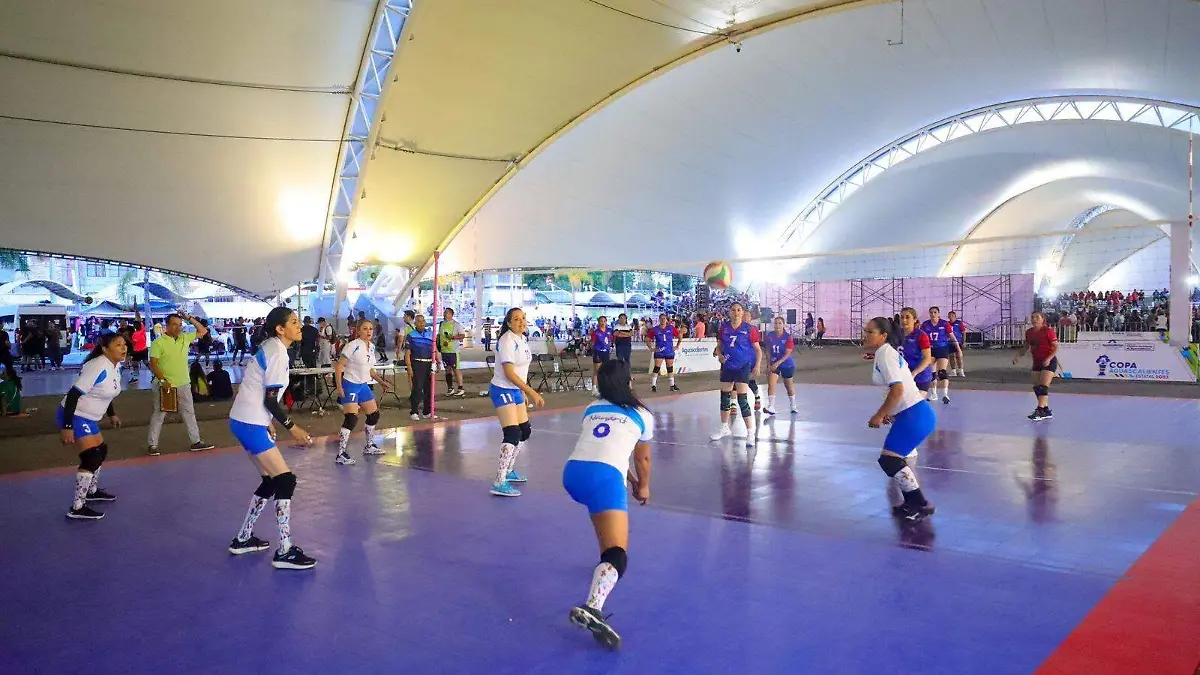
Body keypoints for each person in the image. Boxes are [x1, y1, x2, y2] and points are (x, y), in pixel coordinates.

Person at [563, 360, 652, 650]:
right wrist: (643, 485)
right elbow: (642, 459)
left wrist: (627, 479)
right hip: (604, 477)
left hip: (573, 472)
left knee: (601, 514)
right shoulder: (641, 414)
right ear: (628, 383)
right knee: (618, 555)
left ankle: (602, 567)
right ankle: (593, 606)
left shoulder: (592, 408)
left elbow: (608, 449)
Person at [227, 307, 316, 569]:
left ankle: (243, 538)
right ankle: (285, 551)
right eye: (294, 322)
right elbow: (270, 399)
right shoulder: (277, 351)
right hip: (249, 423)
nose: (299, 326)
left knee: (269, 481)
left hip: (245, 421)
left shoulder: (272, 347)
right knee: (286, 479)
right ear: (280, 328)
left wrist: (267, 423)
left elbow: (257, 391)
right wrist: (292, 427)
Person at [862, 317, 936, 521]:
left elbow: (898, 389)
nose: (865, 335)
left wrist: (880, 413)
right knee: (891, 460)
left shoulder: (886, 354)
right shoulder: (883, 353)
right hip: (910, 414)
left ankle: (920, 504)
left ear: (883, 336)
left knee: (890, 460)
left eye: (870, 332)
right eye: (865, 331)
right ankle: (913, 502)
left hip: (915, 415)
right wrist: (889, 412)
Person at [57, 332, 126, 520]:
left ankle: (91, 492)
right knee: (92, 457)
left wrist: (111, 414)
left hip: (89, 417)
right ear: (105, 349)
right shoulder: (97, 366)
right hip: (75, 415)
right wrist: (67, 426)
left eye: (124, 344)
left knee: (101, 450)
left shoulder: (115, 366)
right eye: (118, 345)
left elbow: (107, 392)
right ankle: (77, 507)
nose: (124, 347)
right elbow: (73, 395)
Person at [488, 308, 544, 497]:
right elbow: (509, 373)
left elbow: (521, 372)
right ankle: (499, 481)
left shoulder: (522, 340)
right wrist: (531, 391)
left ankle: (509, 470)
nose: (521, 322)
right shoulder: (506, 341)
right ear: (509, 323)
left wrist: (522, 391)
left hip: (515, 390)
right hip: (502, 389)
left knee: (524, 431)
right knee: (512, 433)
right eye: (516, 319)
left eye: (523, 318)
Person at [147, 312, 215, 455]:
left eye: (180, 324)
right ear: (167, 326)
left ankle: (196, 442)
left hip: (184, 383)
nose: (178, 327)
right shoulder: (158, 342)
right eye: (174, 324)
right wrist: (162, 380)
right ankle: (152, 445)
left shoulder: (185, 337)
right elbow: (153, 363)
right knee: (159, 414)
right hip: (165, 386)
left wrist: (189, 318)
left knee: (189, 413)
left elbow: (203, 331)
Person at [334, 318, 392, 465]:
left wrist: (382, 382)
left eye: (371, 329)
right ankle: (341, 454)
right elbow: (339, 367)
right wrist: (339, 387)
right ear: (358, 331)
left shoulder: (371, 347)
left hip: (363, 385)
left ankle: (369, 445)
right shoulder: (352, 346)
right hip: (350, 384)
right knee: (351, 418)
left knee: (374, 415)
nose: (368, 331)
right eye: (365, 329)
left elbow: (370, 370)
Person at [709, 301, 762, 447]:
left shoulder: (749, 329)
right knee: (725, 398)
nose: (736, 312)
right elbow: (719, 346)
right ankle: (724, 427)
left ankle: (750, 432)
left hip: (742, 367)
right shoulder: (724, 328)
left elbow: (758, 350)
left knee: (742, 399)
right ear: (729, 312)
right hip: (727, 366)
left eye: (739, 310)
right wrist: (719, 354)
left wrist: (757, 365)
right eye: (733, 310)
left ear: (743, 312)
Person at [1013, 311, 1058, 421]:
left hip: (1049, 361)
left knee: (1043, 386)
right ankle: (1045, 409)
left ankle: (1039, 410)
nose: (1034, 319)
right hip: (1037, 361)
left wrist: (1048, 359)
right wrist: (1018, 356)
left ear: (1043, 319)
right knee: (1037, 387)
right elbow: (1026, 346)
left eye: (1037, 317)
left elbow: (1056, 347)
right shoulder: (1029, 332)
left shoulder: (1048, 331)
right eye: (1032, 317)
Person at [920, 306, 960, 405]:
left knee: (942, 372)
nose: (933, 314)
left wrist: (958, 349)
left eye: (935, 312)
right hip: (931, 350)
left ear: (938, 314)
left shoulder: (944, 324)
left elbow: (952, 336)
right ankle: (934, 394)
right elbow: (921, 337)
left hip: (942, 349)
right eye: (931, 313)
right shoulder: (925, 324)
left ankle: (945, 394)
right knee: (932, 373)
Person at [763, 316, 797, 415]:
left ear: (783, 325)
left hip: (786, 364)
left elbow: (788, 353)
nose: (777, 325)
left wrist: (778, 363)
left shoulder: (788, 337)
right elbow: (768, 351)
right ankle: (771, 406)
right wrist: (769, 365)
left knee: (789, 386)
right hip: (774, 363)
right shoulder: (769, 336)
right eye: (776, 323)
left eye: (780, 323)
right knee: (771, 383)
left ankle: (793, 405)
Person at [899, 308, 935, 398]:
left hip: (920, 376)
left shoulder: (921, 336)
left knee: (914, 404)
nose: (904, 320)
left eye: (907, 317)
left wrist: (914, 373)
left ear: (915, 320)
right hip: (903, 376)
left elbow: (927, 358)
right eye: (902, 317)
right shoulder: (896, 335)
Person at [645, 313, 681, 393]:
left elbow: (679, 336)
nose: (663, 320)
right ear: (659, 319)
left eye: (664, 318)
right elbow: (647, 338)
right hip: (659, 351)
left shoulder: (671, 328)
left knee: (670, 368)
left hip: (669, 351)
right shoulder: (655, 329)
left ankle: (672, 385)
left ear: (666, 319)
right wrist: (651, 348)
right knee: (657, 368)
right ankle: (653, 386)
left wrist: (677, 345)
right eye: (661, 318)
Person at [438, 308, 467, 397]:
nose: (445, 314)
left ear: (451, 314)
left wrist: (453, 337)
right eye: (444, 313)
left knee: (456, 369)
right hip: (444, 351)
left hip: (453, 351)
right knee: (447, 369)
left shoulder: (456, 324)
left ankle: (460, 388)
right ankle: (450, 388)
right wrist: (438, 345)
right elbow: (439, 335)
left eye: (447, 313)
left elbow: (463, 335)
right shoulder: (441, 324)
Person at [590, 316, 613, 394]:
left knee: (606, 370)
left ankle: (605, 387)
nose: (603, 323)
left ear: (606, 322)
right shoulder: (596, 332)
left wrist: (609, 347)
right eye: (601, 321)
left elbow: (610, 340)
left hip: (606, 352)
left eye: (604, 321)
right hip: (598, 352)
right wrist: (594, 351)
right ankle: (594, 388)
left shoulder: (609, 331)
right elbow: (592, 343)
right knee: (597, 371)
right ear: (598, 322)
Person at [947, 311, 967, 377]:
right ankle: (953, 371)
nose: (951, 317)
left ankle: (961, 370)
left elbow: (963, 332)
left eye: (952, 316)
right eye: (949, 316)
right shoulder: (947, 323)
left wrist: (964, 342)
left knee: (959, 356)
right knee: (951, 356)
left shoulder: (959, 323)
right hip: (949, 342)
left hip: (958, 342)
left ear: (955, 316)